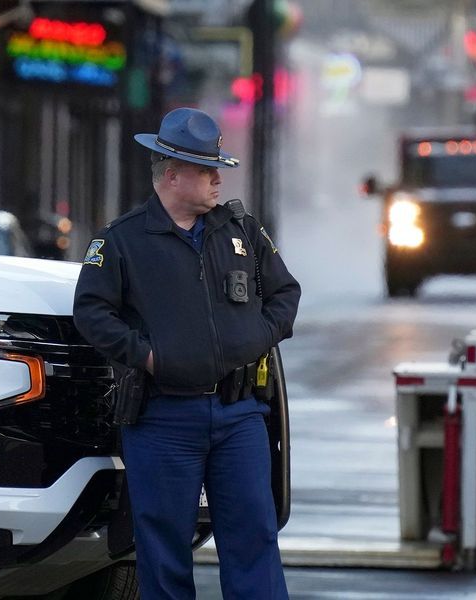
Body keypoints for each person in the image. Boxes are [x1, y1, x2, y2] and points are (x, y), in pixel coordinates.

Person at [73, 107, 300, 600]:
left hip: (240, 415)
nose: (218, 179)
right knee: (163, 551)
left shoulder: (240, 230)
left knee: (254, 542)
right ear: (172, 175)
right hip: (162, 419)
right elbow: (91, 312)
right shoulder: (121, 240)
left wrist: (255, 338)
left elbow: (285, 295)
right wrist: (149, 357)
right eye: (206, 170)